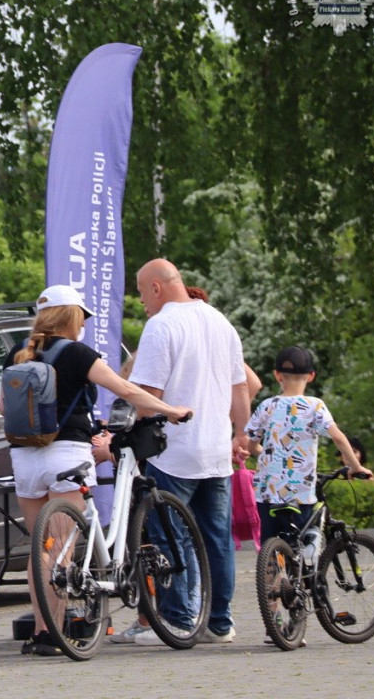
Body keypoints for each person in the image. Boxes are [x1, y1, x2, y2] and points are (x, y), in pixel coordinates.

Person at [6, 284, 192, 657]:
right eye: (83, 316)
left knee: (41, 549)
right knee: (60, 549)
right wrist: (172, 410)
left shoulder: (18, 352)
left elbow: (3, 407)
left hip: (24, 456)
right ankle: (53, 636)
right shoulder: (77, 353)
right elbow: (125, 388)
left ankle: (43, 633)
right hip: (67, 453)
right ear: (73, 317)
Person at [126, 259, 251, 646]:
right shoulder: (220, 321)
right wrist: (240, 435)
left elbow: (149, 399)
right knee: (217, 540)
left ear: (157, 288)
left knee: (169, 538)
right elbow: (241, 390)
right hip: (215, 451)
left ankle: (179, 620)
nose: (141, 301)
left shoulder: (162, 325)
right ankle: (219, 623)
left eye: (142, 292)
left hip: (175, 453)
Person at [246, 346, 373, 545]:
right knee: (303, 542)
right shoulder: (315, 406)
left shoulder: (267, 405)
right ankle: (306, 564)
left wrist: (269, 454)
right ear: (311, 376)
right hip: (300, 492)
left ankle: (270, 574)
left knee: (270, 547)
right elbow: (338, 437)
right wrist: (356, 467)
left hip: (267, 492)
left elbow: (251, 446)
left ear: (277, 375)